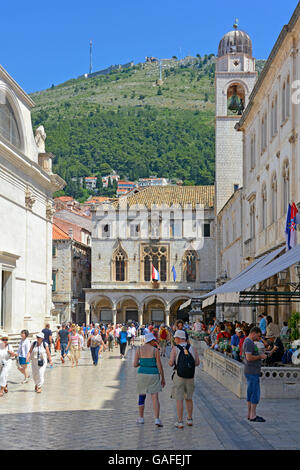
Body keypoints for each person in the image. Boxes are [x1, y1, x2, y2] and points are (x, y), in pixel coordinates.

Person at [169, 330, 200, 429]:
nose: (174, 339)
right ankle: (190, 419)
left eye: (175, 338)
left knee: (179, 399)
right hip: (190, 377)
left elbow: (170, 363)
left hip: (179, 376)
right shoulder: (192, 348)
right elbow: (197, 363)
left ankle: (180, 421)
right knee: (189, 398)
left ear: (178, 338)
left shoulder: (175, 348)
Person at [134, 333, 165, 427]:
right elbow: (159, 365)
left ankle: (141, 418)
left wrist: (142, 363)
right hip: (153, 374)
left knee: (141, 396)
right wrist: (163, 377)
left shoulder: (139, 349)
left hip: (142, 374)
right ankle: (156, 419)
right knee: (155, 397)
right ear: (151, 341)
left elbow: (135, 364)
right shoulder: (155, 350)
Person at [243, 327, 267, 422]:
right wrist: (260, 356)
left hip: (251, 371)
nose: (259, 338)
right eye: (258, 335)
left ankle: (250, 414)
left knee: (250, 392)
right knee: (254, 393)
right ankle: (253, 415)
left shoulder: (248, 342)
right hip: (252, 371)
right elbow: (249, 357)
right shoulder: (249, 342)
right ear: (253, 333)